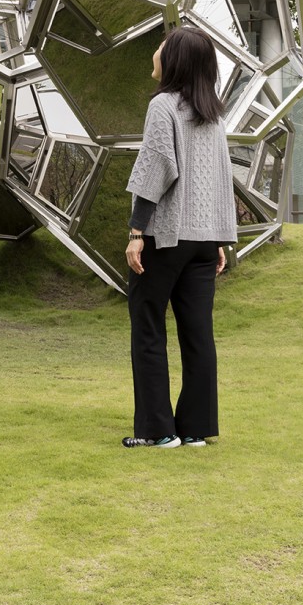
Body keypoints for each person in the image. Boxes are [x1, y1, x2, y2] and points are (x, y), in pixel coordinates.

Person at [122, 26, 238, 449]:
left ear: (174, 61)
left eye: (161, 48)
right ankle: (195, 429)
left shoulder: (163, 106)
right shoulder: (212, 112)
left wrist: (137, 232)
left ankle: (159, 432)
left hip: (165, 238)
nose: (155, 53)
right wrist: (219, 237)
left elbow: (155, 169)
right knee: (197, 334)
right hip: (205, 242)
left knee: (148, 330)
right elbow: (218, 180)